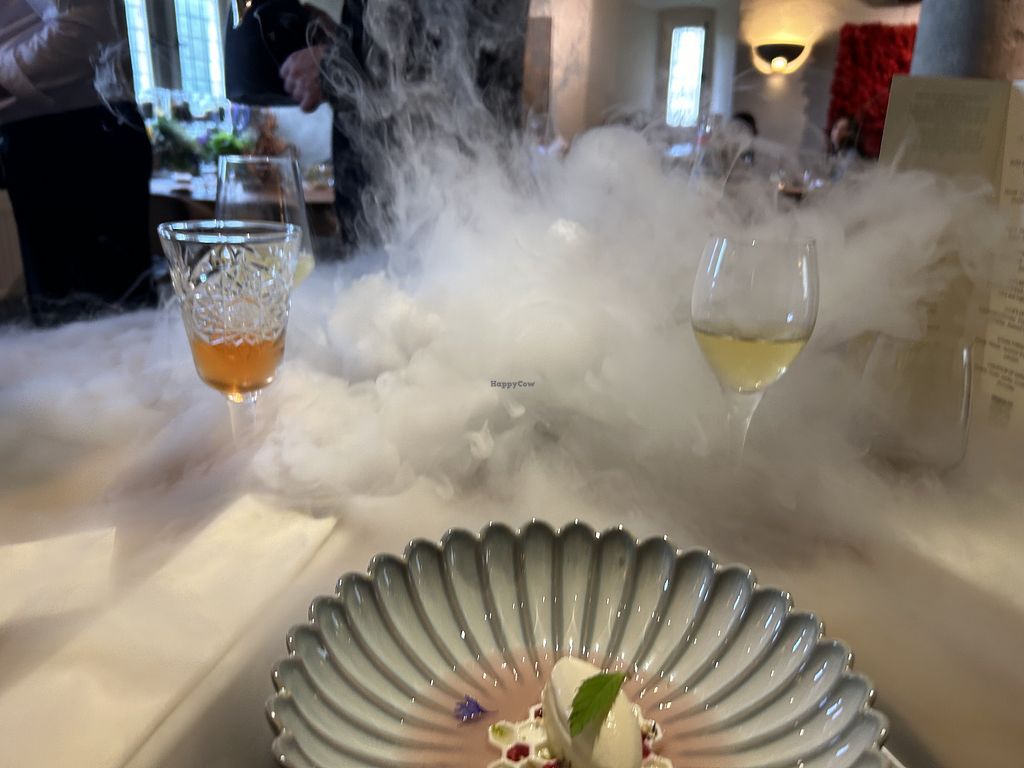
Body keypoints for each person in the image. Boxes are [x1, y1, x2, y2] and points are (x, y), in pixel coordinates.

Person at [279, 0, 529, 252]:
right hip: (390, 200)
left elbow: (451, 32)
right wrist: (347, 36)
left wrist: (336, 63)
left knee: (453, 266)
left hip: (443, 186)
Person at [0, 0, 156, 325]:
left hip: (80, 137)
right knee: (61, 325)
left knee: (111, 326)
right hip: (41, 139)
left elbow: (84, 26)